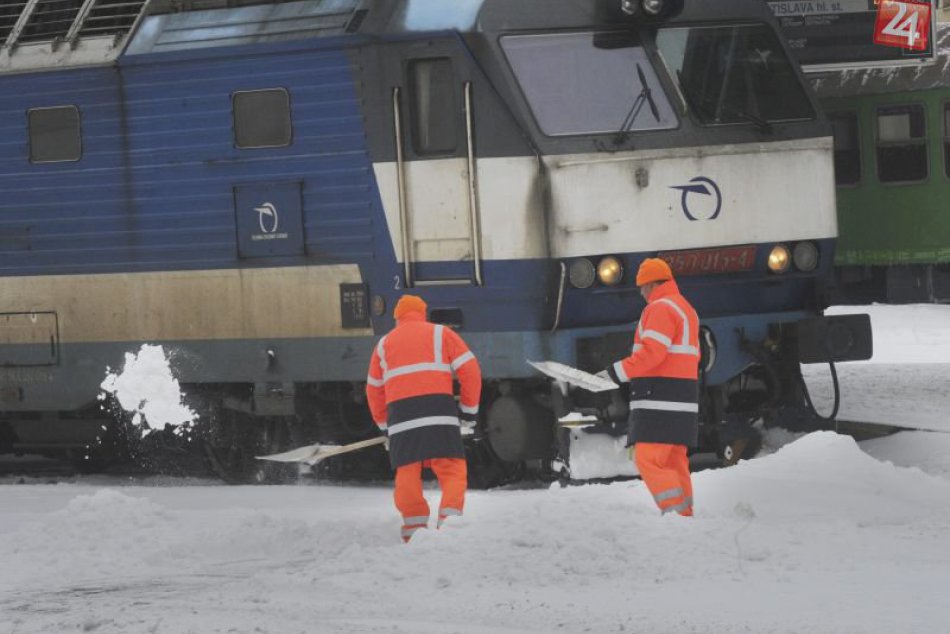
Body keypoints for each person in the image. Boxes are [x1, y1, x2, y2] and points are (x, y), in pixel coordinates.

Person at [365, 294, 482, 542]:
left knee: (407, 472)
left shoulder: (384, 345)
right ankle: (450, 523)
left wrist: (386, 425)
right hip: (440, 411)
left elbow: (374, 389)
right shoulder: (441, 334)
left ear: (397, 318)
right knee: (451, 469)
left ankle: (414, 529)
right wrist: (469, 412)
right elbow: (470, 370)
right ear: (423, 313)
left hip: (401, 416)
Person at [603, 258, 700, 517]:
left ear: (654, 284)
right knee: (673, 458)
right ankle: (685, 512)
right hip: (683, 396)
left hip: (661, 396)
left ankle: (675, 513)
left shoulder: (660, 308)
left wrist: (614, 373)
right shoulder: (685, 308)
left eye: (643, 287)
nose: (641, 293)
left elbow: (651, 355)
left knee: (648, 457)